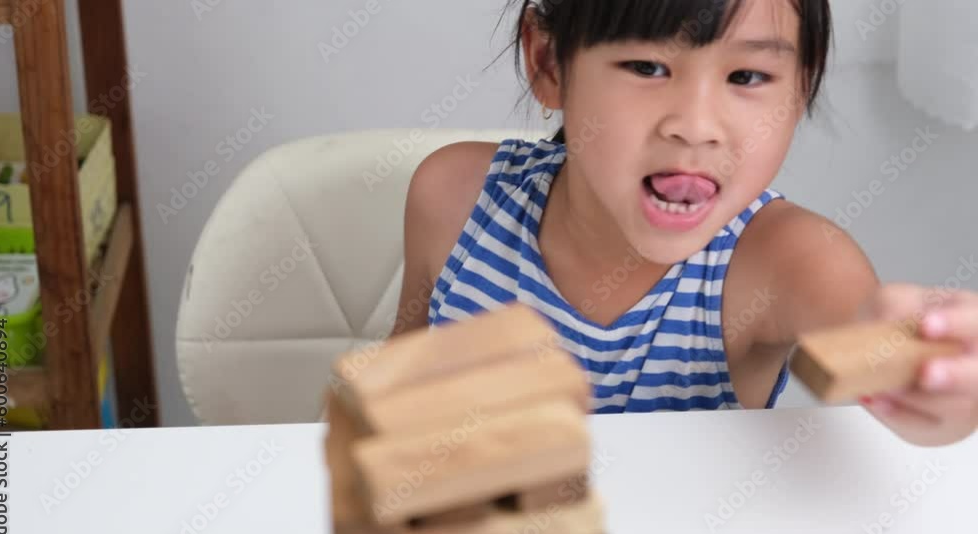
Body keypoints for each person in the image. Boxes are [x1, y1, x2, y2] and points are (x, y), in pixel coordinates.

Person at [390, 0, 978, 446]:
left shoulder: (782, 260)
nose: (696, 126)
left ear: (803, 82)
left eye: (746, 77)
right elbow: (401, 388)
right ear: (549, 63)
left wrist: (923, 362)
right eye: (647, 66)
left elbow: (861, 334)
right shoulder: (455, 197)